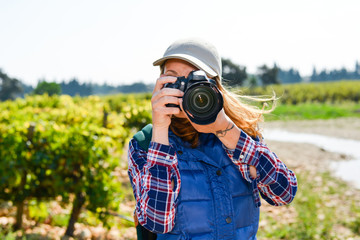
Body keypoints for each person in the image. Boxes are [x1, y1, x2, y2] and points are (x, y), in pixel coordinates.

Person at [128, 38, 297, 240]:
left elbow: (283, 193)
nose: (183, 91)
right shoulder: (144, 144)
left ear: (213, 87)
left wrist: (224, 128)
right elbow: (157, 221)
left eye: (193, 81)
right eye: (173, 80)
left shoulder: (238, 134)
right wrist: (160, 129)